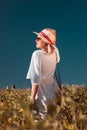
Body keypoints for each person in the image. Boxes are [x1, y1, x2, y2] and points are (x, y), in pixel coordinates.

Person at [26, 28, 60, 119]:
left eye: (38, 38)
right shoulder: (55, 54)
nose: (35, 40)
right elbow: (53, 42)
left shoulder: (37, 54)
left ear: (45, 41)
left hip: (41, 95)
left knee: (39, 123)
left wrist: (32, 98)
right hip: (54, 92)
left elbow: (36, 79)